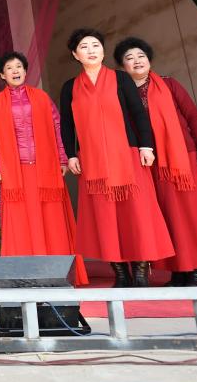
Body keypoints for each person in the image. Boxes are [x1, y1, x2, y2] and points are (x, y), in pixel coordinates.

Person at [115, 37, 197, 287]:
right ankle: (179, 272)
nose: (137, 61)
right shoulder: (122, 94)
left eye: (141, 56)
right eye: (130, 58)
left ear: (149, 59)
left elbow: (193, 115)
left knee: (194, 216)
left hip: (185, 159)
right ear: (122, 66)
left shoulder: (169, 84)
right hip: (152, 164)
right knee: (169, 219)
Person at [59, 28, 174, 287]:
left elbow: (138, 113)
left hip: (128, 157)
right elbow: (66, 124)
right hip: (92, 163)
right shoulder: (70, 87)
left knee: (138, 214)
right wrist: (70, 155)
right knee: (105, 219)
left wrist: (146, 146)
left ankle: (141, 272)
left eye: (96, 45)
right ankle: (121, 273)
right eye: (84, 47)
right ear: (75, 55)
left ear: (103, 51)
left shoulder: (120, 78)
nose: (91, 50)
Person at [0, 52, 88, 286]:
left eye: (19, 67)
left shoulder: (41, 97)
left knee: (51, 220)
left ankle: (58, 272)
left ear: (25, 71)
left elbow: (57, 127)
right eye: (9, 68)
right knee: (21, 221)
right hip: (16, 172)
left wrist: (62, 159)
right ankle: (22, 274)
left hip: (45, 168)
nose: (15, 71)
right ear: (2, 75)